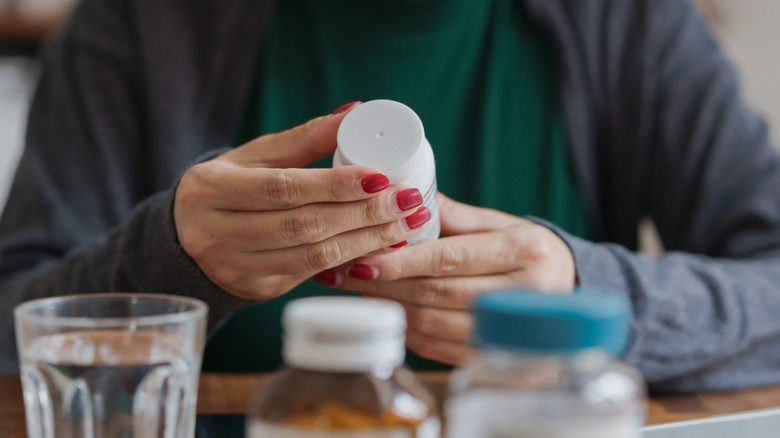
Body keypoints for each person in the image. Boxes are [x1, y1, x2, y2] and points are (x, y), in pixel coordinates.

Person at [2, 0, 780, 392]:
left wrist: (587, 301)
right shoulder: (142, 23)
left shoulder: (627, 22)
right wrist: (165, 261)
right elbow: (12, 329)